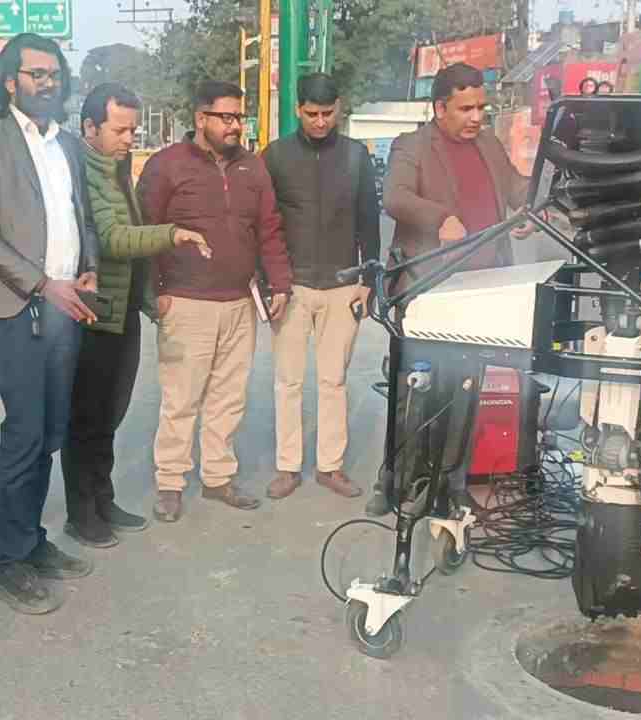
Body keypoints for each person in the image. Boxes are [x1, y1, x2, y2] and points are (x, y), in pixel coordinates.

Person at [0, 33, 99, 615]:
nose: (48, 82)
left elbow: (81, 217)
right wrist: (42, 284)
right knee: (25, 433)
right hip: (19, 308)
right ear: (10, 80)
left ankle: (34, 541)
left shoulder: (67, 144)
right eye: (36, 74)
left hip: (67, 307)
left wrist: (88, 267)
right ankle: (11, 562)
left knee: (51, 432)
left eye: (54, 73)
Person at [369, 62, 531, 515]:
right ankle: (396, 481)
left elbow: (515, 188)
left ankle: (452, 481)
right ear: (440, 108)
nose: (477, 117)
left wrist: (532, 206)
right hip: (430, 288)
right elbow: (395, 197)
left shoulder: (489, 144)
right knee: (416, 389)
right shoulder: (412, 146)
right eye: (466, 109)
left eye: (481, 107)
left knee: (467, 388)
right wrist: (439, 218)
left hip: (483, 287)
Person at [59, 83, 211, 547]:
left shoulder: (118, 168)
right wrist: (173, 234)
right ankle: (81, 513)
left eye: (133, 130)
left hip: (121, 309)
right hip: (92, 312)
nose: (129, 139)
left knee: (111, 413)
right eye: (120, 130)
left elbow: (132, 236)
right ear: (90, 127)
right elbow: (113, 238)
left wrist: (148, 301)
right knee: (87, 417)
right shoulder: (80, 171)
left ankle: (102, 499)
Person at [138, 80, 293, 522]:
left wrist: (279, 283)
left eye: (239, 117)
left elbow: (269, 229)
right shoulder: (167, 166)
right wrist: (154, 295)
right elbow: (144, 232)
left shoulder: (252, 168)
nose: (235, 126)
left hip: (239, 301)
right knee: (181, 399)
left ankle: (218, 477)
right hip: (185, 302)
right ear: (200, 118)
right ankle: (171, 483)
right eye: (226, 117)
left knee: (228, 398)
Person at [261, 73, 381, 501]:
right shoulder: (275, 157)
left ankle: (331, 467)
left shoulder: (356, 156)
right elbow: (265, 224)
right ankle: (288, 467)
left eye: (328, 113)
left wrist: (368, 280)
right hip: (290, 287)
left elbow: (369, 220)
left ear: (339, 108)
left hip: (342, 285)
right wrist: (270, 283)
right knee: (287, 382)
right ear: (297, 109)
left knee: (334, 381)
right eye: (311, 113)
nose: (319, 122)